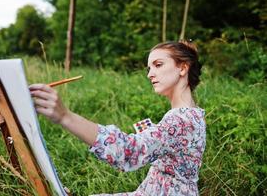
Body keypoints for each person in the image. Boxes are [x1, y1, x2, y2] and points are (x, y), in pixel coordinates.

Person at [29, 40, 206, 196]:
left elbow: (130, 152)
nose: (150, 74)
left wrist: (65, 116)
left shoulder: (181, 119)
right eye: (149, 68)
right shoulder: (192, 114)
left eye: (158, 65)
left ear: (183, 68)